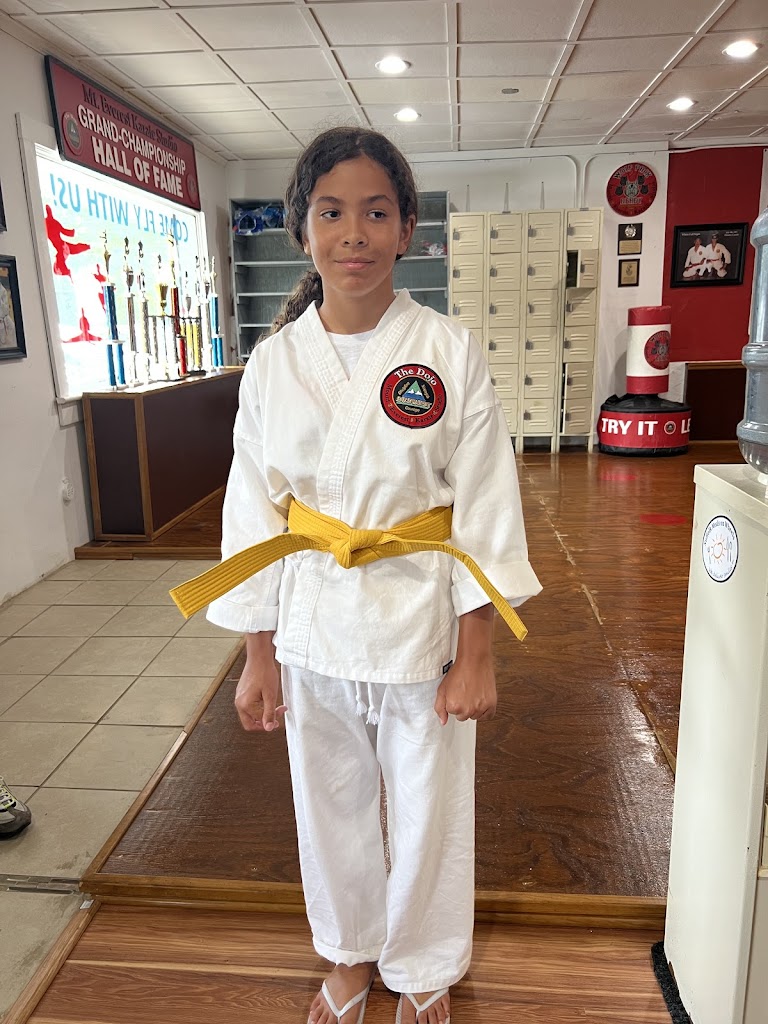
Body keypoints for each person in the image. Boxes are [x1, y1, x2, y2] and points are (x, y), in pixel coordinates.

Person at [205, 127, 541, 1024]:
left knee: (431, 804)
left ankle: (423, 959)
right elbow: (252, 511)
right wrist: (256, 652)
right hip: (312, 616)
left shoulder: (447, 349)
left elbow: (486, 503)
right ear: (301, 231)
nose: (353, 233)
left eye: (376, 212)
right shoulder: (274, 364)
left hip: (422, 619)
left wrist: (479, 651)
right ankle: (350, 951)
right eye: (331, 213)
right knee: (329, 801)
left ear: (407, 230)